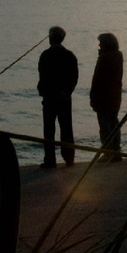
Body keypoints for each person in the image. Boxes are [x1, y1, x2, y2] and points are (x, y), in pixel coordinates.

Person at [37, 26, 78, 168]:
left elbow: (43, 76)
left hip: (50, 97)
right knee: (66, 128)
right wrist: (66, 92)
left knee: (49, 130)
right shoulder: (69, 55)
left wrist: (43, 91)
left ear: (51, 37)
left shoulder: (46, 55)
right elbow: (74, 77)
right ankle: (69, 158)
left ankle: (50, 159)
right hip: (64, 97)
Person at [89, 32, 123, 162]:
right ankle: (116, 150)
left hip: (104, 97)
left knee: (105, 126)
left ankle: (108, 152)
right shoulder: (118, 56)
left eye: (101, 43)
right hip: (115, 96)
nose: (99, 45)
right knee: (113, 123)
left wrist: (93, 97)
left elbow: (98, 79)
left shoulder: (105, 58)